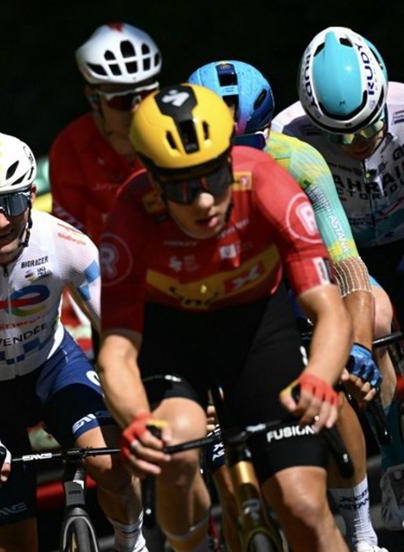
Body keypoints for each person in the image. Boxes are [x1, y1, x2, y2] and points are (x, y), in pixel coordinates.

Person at [97, 83, 351, 552]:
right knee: (177, 442)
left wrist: (319, 376)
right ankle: (191, 546)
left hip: (256, 328)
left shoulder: (270, 184)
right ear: (153, 180)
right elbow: (116, 349)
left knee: (305, 510)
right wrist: (135, 419)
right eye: (182, 186)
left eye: (214, 177)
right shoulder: (129, 219)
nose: (204, 201)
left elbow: (328, 306)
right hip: (172, 337)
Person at [0, 133, 146, 551]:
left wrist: (150, 397)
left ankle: (134, 542)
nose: (1, 221)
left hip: (55, 367)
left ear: (32, 195)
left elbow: (118, 333)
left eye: (13, 202)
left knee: (113, 467)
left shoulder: (66, 245)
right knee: (13, 543)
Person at [189, 59, 390, 552]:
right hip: (209, 308)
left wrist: (358, 348)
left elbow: (346, 266)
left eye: (250, 147)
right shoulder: (176, 191)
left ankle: (362, 532)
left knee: (334, 387)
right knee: (217, 464)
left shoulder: (296, 161)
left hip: (288, 292)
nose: (239, 165)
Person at [271, 25, 404, 531]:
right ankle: (394, 464)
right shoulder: (287, 134)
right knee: (379, 323)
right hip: (344, 251)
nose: (354, 145)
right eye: (338, 135)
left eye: (366, 130)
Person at [50, 22, 161, 244]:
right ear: (94, 98)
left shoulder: (175, 130)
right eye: (122, 100)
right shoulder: (70, 148)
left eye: (148, 93)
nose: (137, 108)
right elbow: (70, 244)